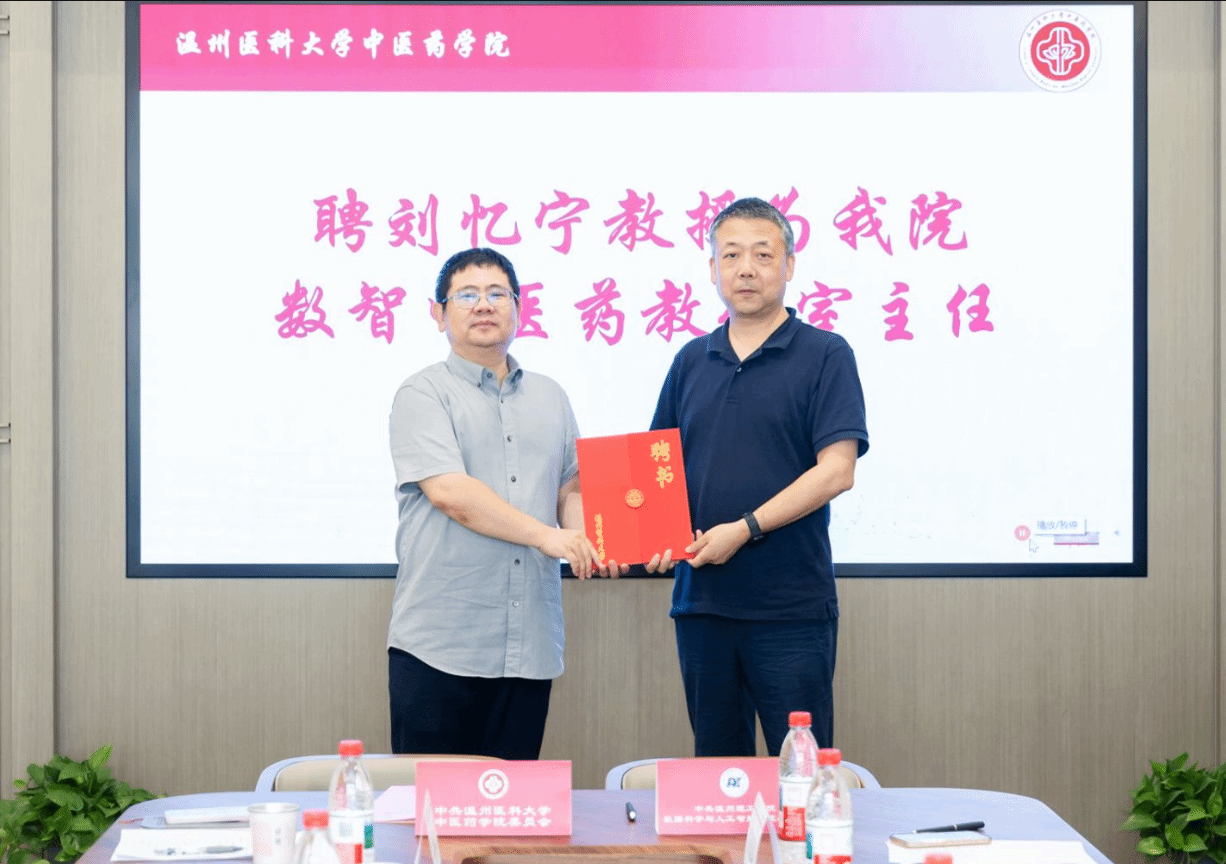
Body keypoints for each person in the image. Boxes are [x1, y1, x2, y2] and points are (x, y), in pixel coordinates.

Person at [647, 197, 869, 755]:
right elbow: (656, 475)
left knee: (801, 771)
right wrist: (646, 539)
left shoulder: (826, 354)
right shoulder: (690, 360)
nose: (746, 268)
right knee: (716, 772)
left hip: (790, 610)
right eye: (731, 255)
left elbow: (837, 471)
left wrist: (744, 528)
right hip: (702, 606)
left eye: (763, 254)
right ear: (713, 269)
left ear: (789, 265)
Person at [386, 247, 607, 760]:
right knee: (434, 804)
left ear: (518, 308)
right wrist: (549, 537)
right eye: (466, 295)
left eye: (496, 294)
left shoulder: (551, 397)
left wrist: (590, 542)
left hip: (529, 644)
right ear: (438, 313)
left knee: (515, 803)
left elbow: (570, 488)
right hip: (441, 643)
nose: (483, 305)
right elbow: (451, 494)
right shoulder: (422, 393)